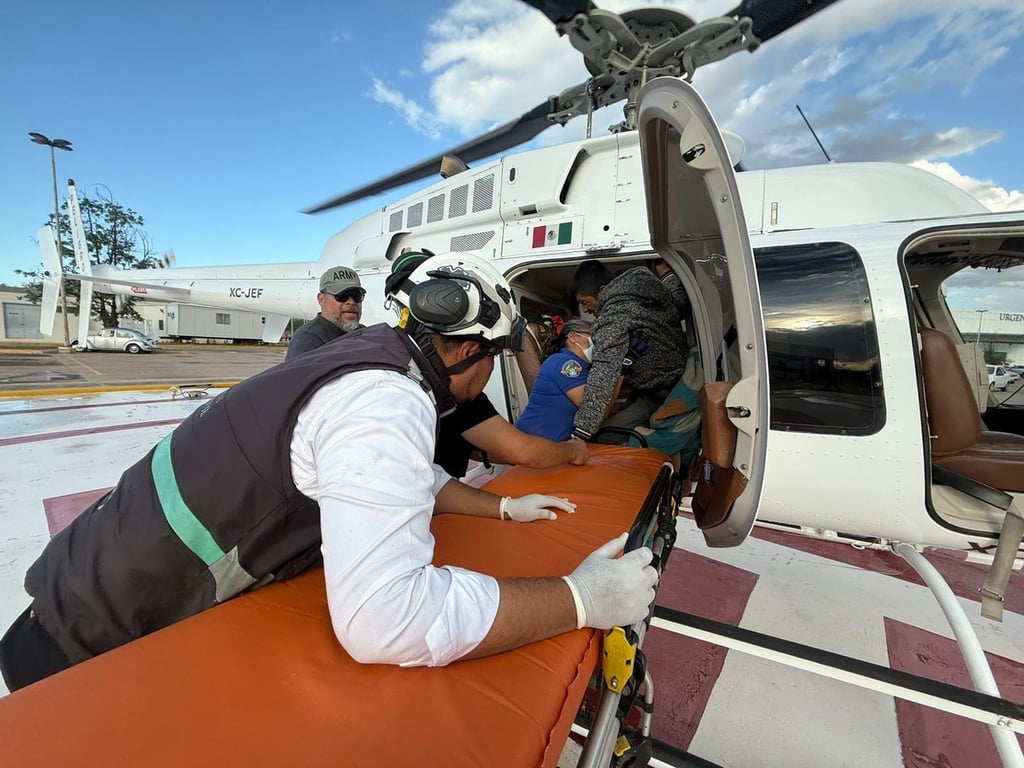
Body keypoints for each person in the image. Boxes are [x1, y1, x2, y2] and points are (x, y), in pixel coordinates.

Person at [0, 252, 657, 692]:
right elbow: (385, 620)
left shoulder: (371, 358)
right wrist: (582, 598)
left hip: (80, 586)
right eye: (495, 358)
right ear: (463, 348)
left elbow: (396, 478)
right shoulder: (387, 399)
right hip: (85, 651)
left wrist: (502, 509)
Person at [385, 250, 589, 476]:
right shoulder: (399, 394)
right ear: (468, 351)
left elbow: (434, 486)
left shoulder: (395, 364)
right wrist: (571, 451)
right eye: (492, 354)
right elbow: (521, 451)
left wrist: (503, 507)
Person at [568, 259, 689, 443]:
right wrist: (666, 273)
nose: (586, 309)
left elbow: (604, 373)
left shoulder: (613, 316)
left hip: (663, 394)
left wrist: (582, 432)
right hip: (676, 381)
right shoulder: (647, 290)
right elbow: (681, 303)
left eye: (585, 302)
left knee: (604, 436)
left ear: (602, 290)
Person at [515, 319, 592, 441]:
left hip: (549, 441)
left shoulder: (581, 366)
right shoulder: (567, 363)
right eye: (592, 335)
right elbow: (590, 405)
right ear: (573, 337)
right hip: (536, 442)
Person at [285, 266, 366, 360]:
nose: (351, 302)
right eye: (342, 295)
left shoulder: (364, 333)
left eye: (357, 296)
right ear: (321, 299)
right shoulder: (308, 340)